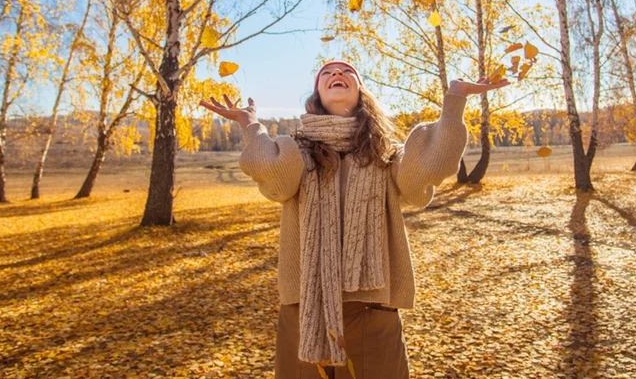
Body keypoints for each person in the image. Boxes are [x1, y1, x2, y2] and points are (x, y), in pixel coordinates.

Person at [199, 60, 508, 378]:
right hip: (304, 308)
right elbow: (273, 177)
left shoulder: (385, 154)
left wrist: (454, 99)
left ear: (361, 91)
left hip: (372, 309)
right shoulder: (297, 151)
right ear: (317, 93)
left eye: (347, 72)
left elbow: (426, 169)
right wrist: (251, 125)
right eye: (327, 73)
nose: (337, 74)